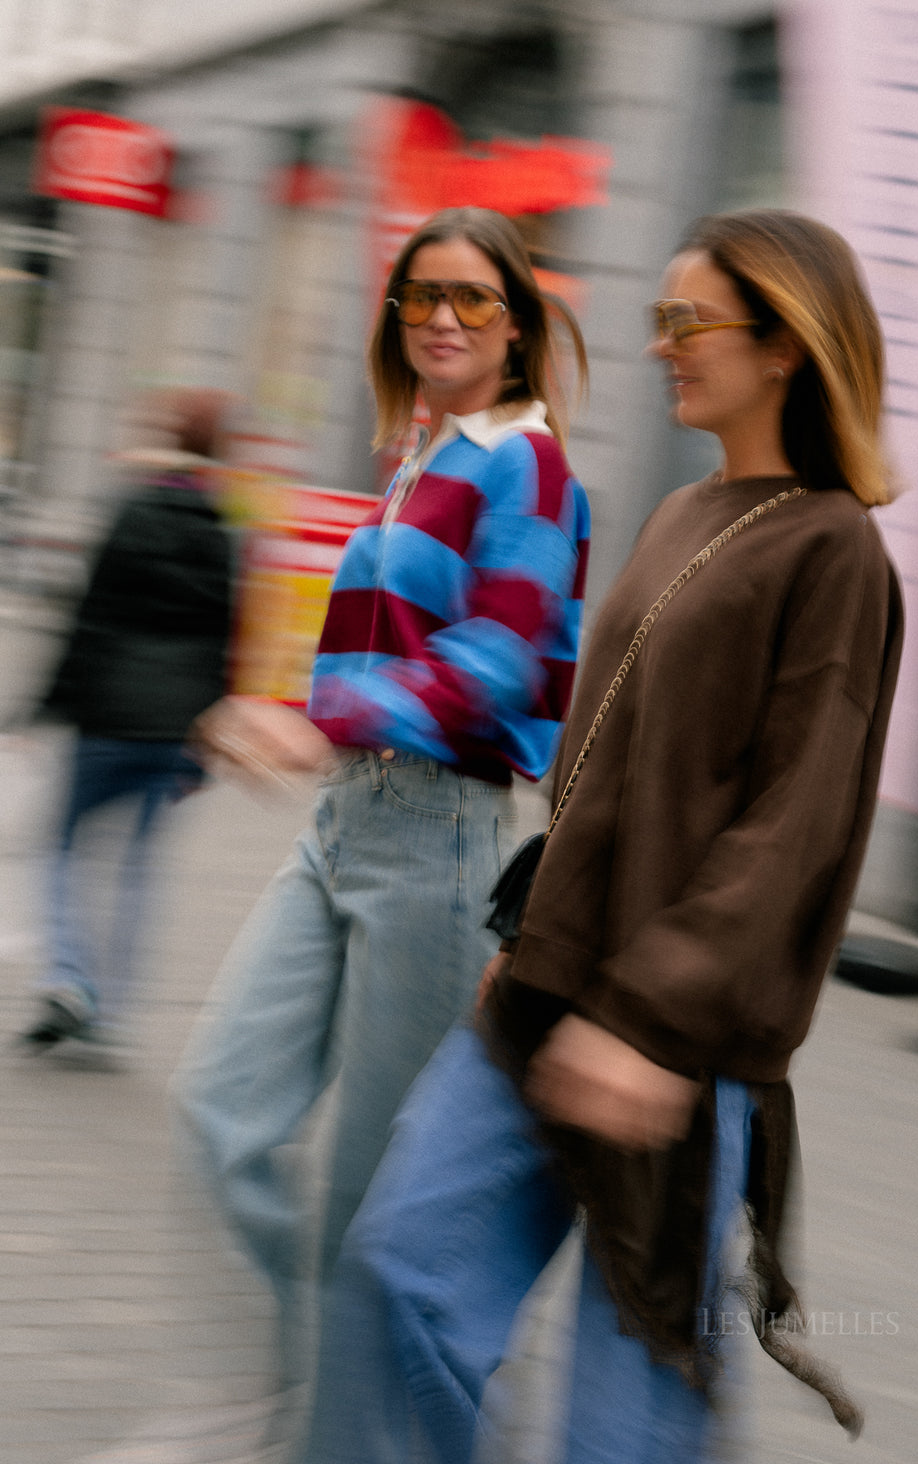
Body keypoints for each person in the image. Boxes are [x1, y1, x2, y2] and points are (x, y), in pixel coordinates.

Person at [307, 209, 905, 1464]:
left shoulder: (833, 548)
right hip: (545, 987)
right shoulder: (688, 507)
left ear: (786, 342)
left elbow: (791, 830)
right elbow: (605, 769)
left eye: (687, 322)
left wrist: (654, 1020)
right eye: (659, 321)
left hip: (668, 1040)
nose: (660, 347)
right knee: (395, 1273)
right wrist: (534, 931)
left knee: (621, 1418)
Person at [173, 207, 591, 1423]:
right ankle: (335, 1408)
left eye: (470, 299)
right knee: (220, 1114)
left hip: (438, 841)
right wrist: (285, 708)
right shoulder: (424, 453)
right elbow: (386, 644)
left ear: (515, 325)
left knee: (375, 1204)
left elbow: (506, 660)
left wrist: (329, 718)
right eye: (420, 298)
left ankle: (372, 1433)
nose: (442, 320)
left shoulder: (529, 462)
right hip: (340, 827)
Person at [20, 388, 235, 1051]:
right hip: (171, 729)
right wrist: (204, 747)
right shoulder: (221, 534)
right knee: (139, 864)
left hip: (107, 717)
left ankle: (70, 976)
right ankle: (110, 1014)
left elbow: (89, 619)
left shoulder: (130, 512)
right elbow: (226, 644)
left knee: (60, 848)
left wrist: (45, 706)